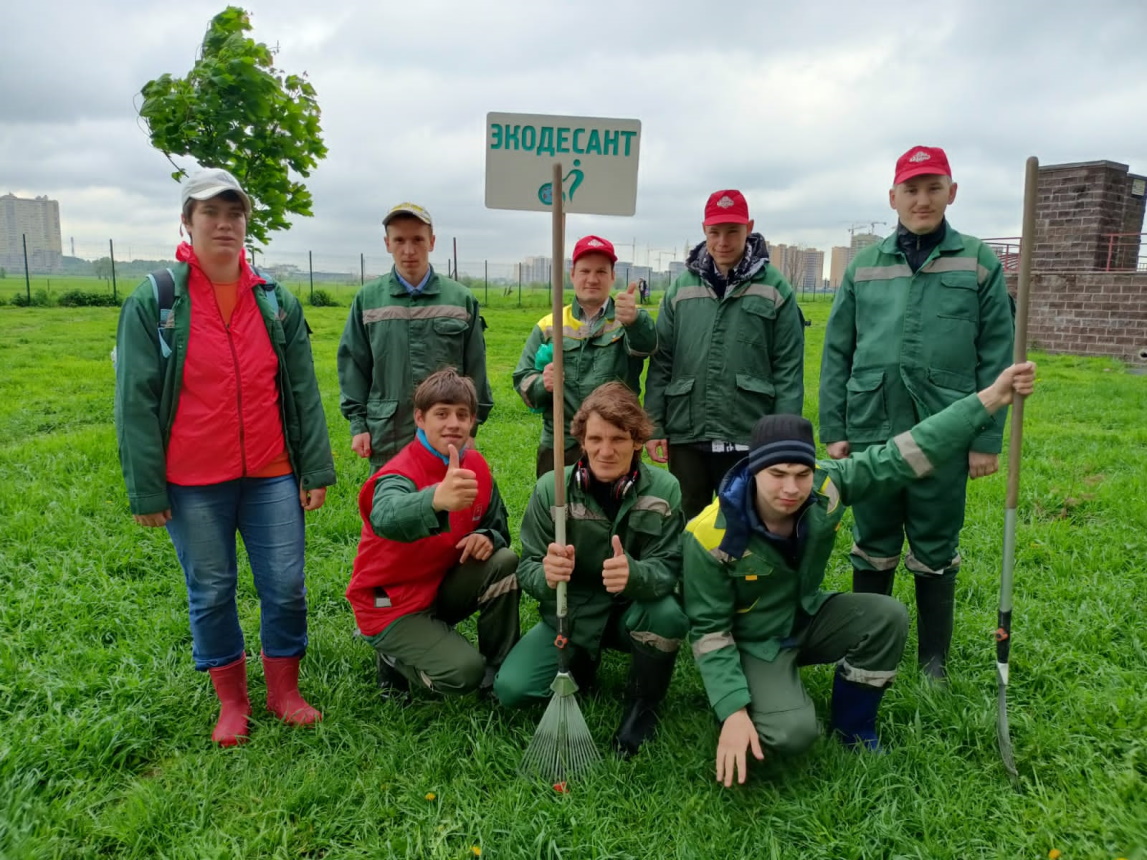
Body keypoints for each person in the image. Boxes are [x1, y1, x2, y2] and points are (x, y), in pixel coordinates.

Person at [685, 362, 1036, 786]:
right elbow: (709, 632)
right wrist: (733, 710)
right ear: (753, 470)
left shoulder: (827, 485)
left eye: (801, 474)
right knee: (793, 735)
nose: (791, 489)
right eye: (777, 475)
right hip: (755, 640)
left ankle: (853, 728)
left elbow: (905, 453)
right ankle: (757, 694)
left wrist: (993, 398)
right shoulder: (709, 534)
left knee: (886, 617)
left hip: (804, 615)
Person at [114, 167, 335, 747]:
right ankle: (233, 703)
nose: (224, 224)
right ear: (186, 221)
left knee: (286, 585)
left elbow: (303, 392)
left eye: (234, 213)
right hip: (192, 481)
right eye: (210, 212)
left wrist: (314, 468)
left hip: (272, 474)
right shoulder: (157, 300)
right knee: (211, 591)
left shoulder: (275, 301)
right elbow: (135, 400)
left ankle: (284, 692)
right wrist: (146, 488)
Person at [819, 146, 1016, 681]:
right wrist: (835, 429)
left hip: (946, 430)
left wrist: (986, 439)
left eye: (933, 188)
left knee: (936, 544)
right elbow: (837, 351)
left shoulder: (978, 261)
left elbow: (996, 355)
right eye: (911, 189)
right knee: (872, 543)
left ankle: (933, 661)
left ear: (952, 193)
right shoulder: (863, 266)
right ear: (893, 197)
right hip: (872, 428)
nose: (922, 200)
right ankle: (866, 645)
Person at [494, 383, 687, 758]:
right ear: (581, 440)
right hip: (571, 615)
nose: (605, 450)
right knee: (512, 689)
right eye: (595, 438)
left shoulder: (665, 490)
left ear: (637, 440)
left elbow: (670, 568)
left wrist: (635, 575)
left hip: (630, 610)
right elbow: (528, 566)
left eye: (618, 439)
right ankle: (580, 662)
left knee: (667, 614)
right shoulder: (551, 489)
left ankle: (643, 706)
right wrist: (548, 575)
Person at [346, 369, 519, 698]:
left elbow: (497, 526)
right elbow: (385, 515)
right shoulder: (399, 472)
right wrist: (436, 499)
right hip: (384, 598)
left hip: (435, 585)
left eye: (462, 415)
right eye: (441, 414)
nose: (453, 423)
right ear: (419, 418)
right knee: (463, 673)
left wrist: (487, 536)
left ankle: (498, 676)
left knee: (504, 560)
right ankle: (391, 654)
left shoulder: (476, 466)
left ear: (472, 421)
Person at [644, 189, 805, 520]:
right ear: (704, 229)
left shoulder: (775, 288)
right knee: (689, 523)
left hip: (749, 432)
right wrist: (655, 425)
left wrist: (782, 437)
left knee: (746, 522)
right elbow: (662, 361)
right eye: (715, 232)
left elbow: (788, 367)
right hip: (687, 431)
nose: (723, 241)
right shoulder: (681, 288)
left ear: (749, 227)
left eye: (733, 231)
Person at [337, 202, 494, 471]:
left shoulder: (460, 299)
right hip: (389, 432)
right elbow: (354, 363)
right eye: (399, 240)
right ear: (387, 243)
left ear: (431, 242)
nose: (408, 250)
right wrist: (358, 424)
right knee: (390, 496)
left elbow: (475, 367)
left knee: (447, 495)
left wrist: (471, 426)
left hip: (447, 432)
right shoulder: (368, 299)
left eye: (418, 240)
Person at [512, 235, 656, 479]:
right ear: (572, 275)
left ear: (612, 277)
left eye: (601, 271)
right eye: (585, 271)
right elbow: (522, 380)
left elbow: (647, 346)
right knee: (555, 502)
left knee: (618, 502)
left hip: (615, 442)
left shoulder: (629, 318)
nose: (592, 279)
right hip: (561, 442)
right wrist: (542, 384)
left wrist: (635, 321)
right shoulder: (549, 325)